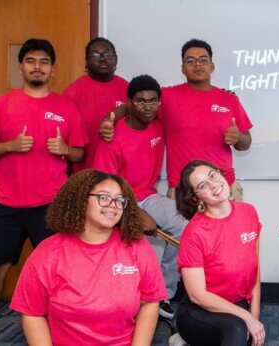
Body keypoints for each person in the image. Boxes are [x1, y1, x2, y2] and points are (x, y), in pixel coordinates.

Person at [0, 38, 85, 346]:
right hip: (4, 204)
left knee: (57, 273)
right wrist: (8, 146)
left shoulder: (66, 107)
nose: (37, 67)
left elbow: (79, 154)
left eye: (43, 62)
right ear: (21, 67)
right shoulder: (0, 104)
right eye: (31, 61)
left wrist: (65, 149)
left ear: (52, 69)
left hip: (51, 206)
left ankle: (60, 334)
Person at [9, 169, 166, 345]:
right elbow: (32, 313)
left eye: (119, 200)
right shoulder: (48, 252)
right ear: (81, 201)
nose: (113, 205)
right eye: (104, 197)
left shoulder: (137, 246)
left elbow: (150, 302)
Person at [100, 39, 252, 200]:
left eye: (203, 59)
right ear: (183, 69)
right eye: (191, 60)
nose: (198, 64)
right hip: (184, 192)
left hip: (223, 187)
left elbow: (245, 143)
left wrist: (238, 138)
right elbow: (131, 106)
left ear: (212, 66)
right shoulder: (167, 97)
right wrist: (109, 119)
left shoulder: (229, 99)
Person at [92, 74, 187, 319]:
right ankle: (117, 299)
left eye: (153, 101)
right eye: (141, 101)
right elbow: (105, 186)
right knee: (124, 244)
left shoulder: (158, 122)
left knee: (183, 224)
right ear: (130, 103)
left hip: (149, 195)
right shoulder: (112, 139)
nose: (148, 107)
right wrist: (133, 210)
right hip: (116, 200)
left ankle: (164, 295)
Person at [171, 160, 265, 346]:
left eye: (213, 175)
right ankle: (188, 337)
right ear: (196, 198)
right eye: (203, 186)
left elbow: (254, 268)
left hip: (237, 304)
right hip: (199, 310)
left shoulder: (249, 212)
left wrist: (254, 315)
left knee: (246, 331)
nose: (214, 185)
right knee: (236, 328)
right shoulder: (194, 233)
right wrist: (246, 317)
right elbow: (198, 295)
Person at [63, 37, 128, 171]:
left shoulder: (129, 90)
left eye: (108, 54)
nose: (102, 58)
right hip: (84, 174)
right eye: (95, 55)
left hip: (121, 174)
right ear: (86, 62)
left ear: (116, 59)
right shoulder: (71, 93)